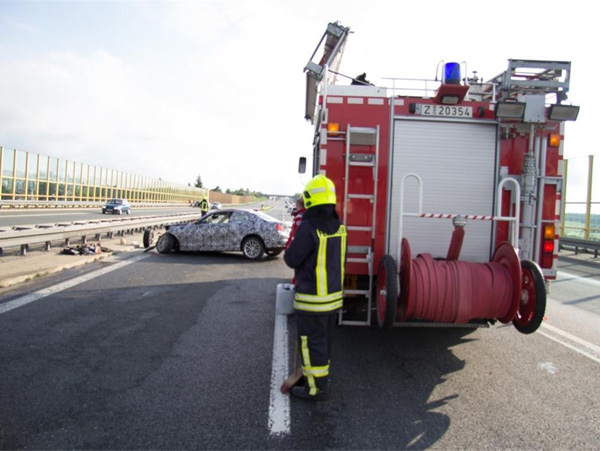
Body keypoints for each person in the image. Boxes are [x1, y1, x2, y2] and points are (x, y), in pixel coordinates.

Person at [283, 175, 347, 401]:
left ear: (310, 198)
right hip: (333, 299)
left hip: (312, 300)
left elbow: (291, 259)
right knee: (324, 342)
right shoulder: (340, 227)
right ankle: (321, 380)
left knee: (310, 345)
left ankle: (314, 389)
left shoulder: (310, 227)